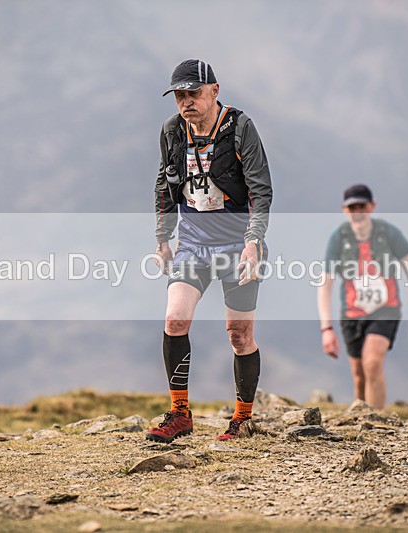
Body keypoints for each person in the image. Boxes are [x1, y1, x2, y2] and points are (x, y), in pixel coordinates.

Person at [148, 59, 273, 443]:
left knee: (239, 334)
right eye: (180, 96)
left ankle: (242, 418)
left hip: (238, 246)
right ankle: (180, 414)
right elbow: (163, 187)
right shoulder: (172, 131)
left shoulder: (239, 129)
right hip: (194, 246)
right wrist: (163, 239)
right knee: (175, 321)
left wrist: (254, 243)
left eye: (194, 94)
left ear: (214, 91)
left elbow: (260, 191)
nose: (186, 103)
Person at [316, 184, 408, 409]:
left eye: (362, 206)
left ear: (372, 206)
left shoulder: (388, 233)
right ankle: (360, 420)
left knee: (372, 362)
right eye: (352, 207)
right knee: (359, 374)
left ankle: (376, 421)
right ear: (344, 210)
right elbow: (325, 285)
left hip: (386, 309)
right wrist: (326, 329)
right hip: (352, 313)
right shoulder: (339, 238)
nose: (357, 212)